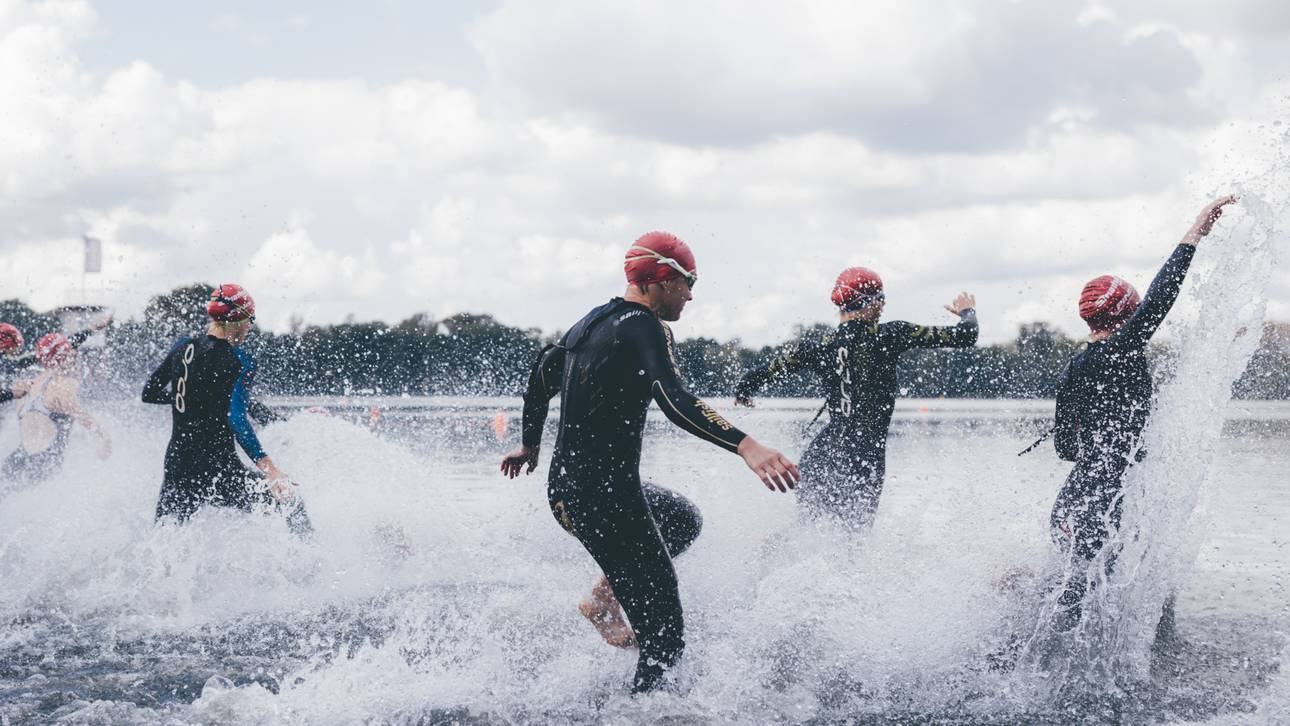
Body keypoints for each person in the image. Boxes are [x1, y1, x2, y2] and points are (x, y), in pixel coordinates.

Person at [500, 231, 800, 693]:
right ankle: (643, 712)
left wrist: (529, 445)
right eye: (687, 283)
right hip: (604, 501)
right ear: (662, 280)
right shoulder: (645, 326)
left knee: (680, 520)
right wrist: (746, 445)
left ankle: (603, 600)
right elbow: (675, 399)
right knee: (666, 641)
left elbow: (540, 378)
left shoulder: (590, 322)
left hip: (570, 493)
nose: (690, 295)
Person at [1047, 195, 1237, 631]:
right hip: (1102, 506)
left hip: (1071, 504)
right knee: (1092, 612)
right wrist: (1195, 233)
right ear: (1125, 314)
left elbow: (1065, 447)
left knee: (1070, 605)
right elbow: (1160, 299)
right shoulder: (1122, 351)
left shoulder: (1074, 367)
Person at [733, 268, 978, 528]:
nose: (883, 305)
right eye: (881, 298)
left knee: (807, 534)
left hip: (821, 455)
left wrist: (744, 391)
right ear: (869, 301)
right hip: (863, 457)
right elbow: (966, 335)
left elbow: (760, 374)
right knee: (853, 543)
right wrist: (967, 311)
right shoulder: (891, 334)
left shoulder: (819, 346)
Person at [142, 284, 310, 536]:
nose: (250, 327)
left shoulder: (182, 347)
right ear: (237, 319)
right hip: (219, 470)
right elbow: (236, 418)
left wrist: (186, 397)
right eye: (249, 319)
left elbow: (150, 393)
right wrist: (270, 470)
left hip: (178, 465)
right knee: (291, 502)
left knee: (162, 540)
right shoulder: (240, 361)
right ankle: (312, 557)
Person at [2, 334, 112, 484]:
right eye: (71, 353)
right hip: (44, 463)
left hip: (16, 461)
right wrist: (105, 438)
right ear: (65, 356)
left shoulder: (23, 386)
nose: (73, 357)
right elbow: (84, 419)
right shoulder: (63, 386)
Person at [1, 316, 111, 404]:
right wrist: (11, 394)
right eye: (10, 351)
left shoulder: (8, 363)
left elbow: (54, 348)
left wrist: (90, 330)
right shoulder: (6, 363)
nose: (14, 354)